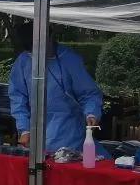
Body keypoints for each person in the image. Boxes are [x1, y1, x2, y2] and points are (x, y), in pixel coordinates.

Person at [8, 23, 102, 154]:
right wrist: (24, 129)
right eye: (33, 51)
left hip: (69, 134)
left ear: (50, 37)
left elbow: (89, 93)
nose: (38, 54)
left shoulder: (69, 59)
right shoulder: (23, 61)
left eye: (41, 47)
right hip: (34, 135)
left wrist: (91, 113)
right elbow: (17, 98)